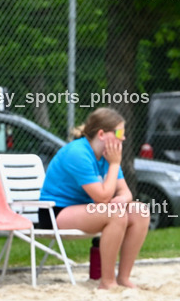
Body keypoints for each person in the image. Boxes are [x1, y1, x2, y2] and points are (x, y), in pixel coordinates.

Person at [38, 107, 150, 290]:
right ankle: (107, 282)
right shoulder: (78, 153)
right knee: (115, 215)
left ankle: (123, 278)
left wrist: (121, 200)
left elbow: (126, 193)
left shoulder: (107, 155)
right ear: (101, 134)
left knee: (140, 211)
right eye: (119, 132)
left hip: (86, 210)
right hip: (55, 212)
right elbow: (103, 197)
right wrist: (115, 164)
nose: (123, 138)